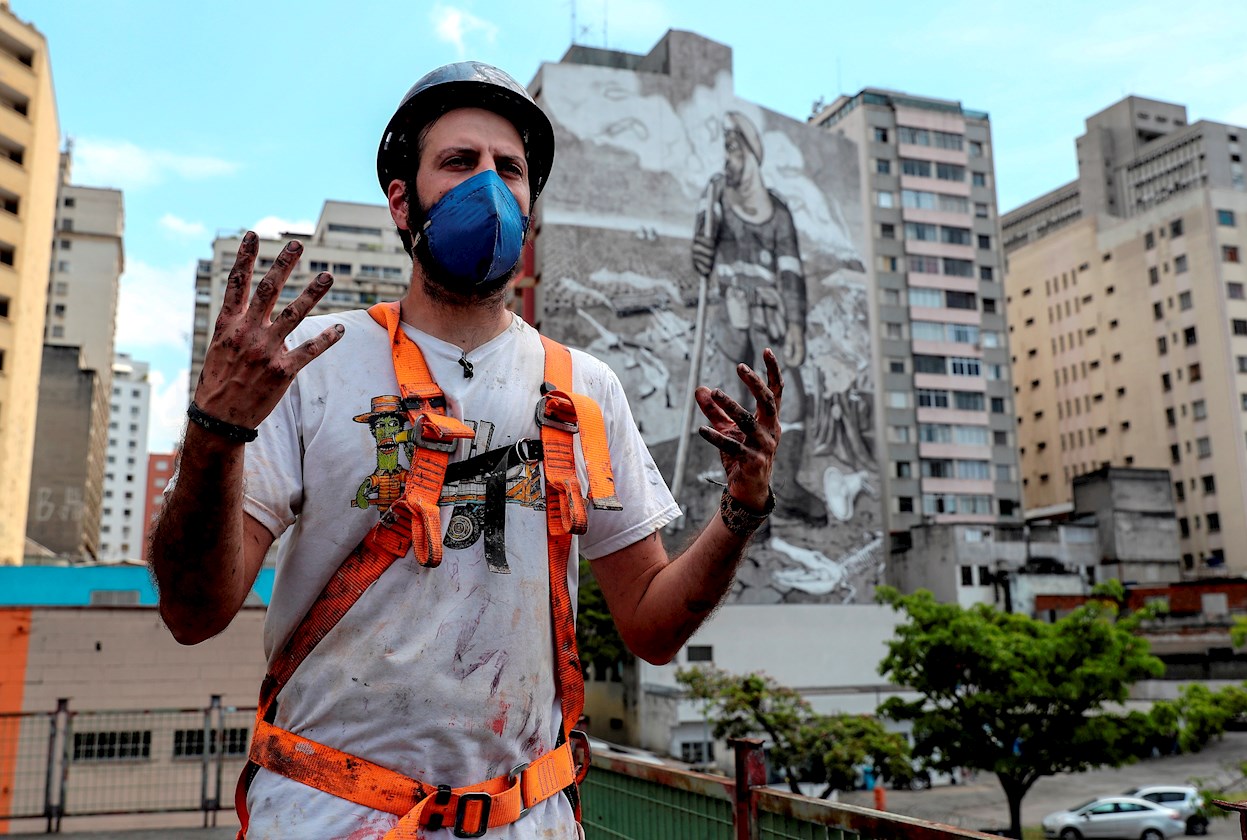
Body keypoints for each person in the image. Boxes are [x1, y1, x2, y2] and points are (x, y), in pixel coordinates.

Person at [148, 62, 783, 839]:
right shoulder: (310, 362)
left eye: (508, 169)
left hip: (529, 820)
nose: (488, 185)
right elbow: (193, 613)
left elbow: (651, 624)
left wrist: (742, 508)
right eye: (458, 161)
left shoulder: (585, 390)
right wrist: (216, 430)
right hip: (326, 818)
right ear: (401, 201)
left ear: (529, 209)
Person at [691, 111, 826, 526]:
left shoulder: (777, 211)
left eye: (733, 150)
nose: (727, 159)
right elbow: (703, 245)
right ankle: (741, 492)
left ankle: (785, 484)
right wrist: (702, 254)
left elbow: (791, 272)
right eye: (726, 150)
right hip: (731, 314)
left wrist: (797, 325)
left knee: (791, 396)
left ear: (750, 154)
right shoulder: (717, 197)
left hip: (770, 316)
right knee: (732, 400)